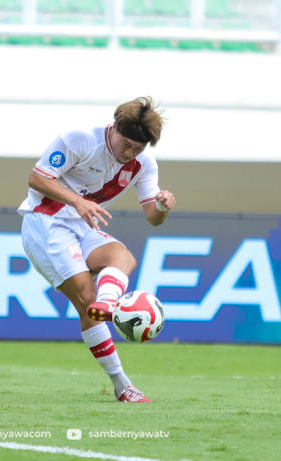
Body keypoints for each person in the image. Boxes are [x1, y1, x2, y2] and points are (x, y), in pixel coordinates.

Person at [18, 97, 176, 403]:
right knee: (85, 298)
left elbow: (153, 219)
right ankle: (122, 385)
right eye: (126, 144)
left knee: (123, 258)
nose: (129, 153)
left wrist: (161, 205)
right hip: (44, 222)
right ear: (114, 128)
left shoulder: (144, 164)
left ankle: (106, 305)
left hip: (82, 224)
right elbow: (36, 177)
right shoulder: (79, 139)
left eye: (138, 148)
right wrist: (77, 200)